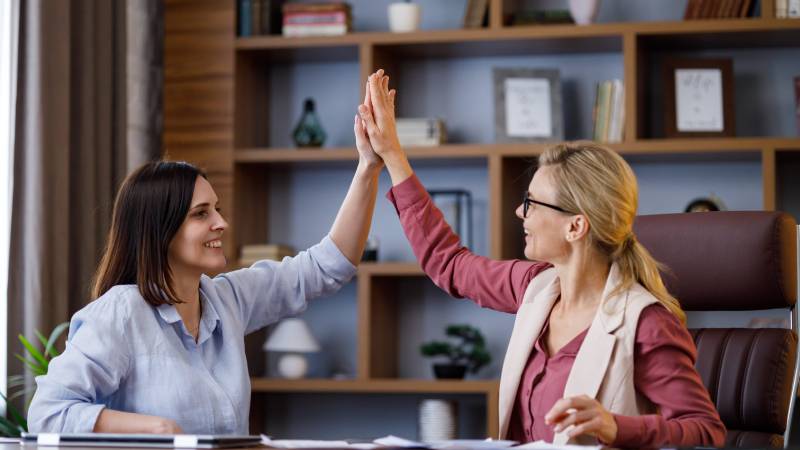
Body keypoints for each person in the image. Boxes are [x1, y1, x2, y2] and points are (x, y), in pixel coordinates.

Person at [353, 69, 726, 447]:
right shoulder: (534, 287)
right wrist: (393, 156)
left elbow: (706, 431)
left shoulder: (646, 323)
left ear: (576, 226)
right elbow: (447, 262)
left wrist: (616, 427)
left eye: (531, 203)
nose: (520, 212)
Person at [27, 143, 383, 434]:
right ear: (161, 230)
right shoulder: (122, 312)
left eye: (217, 209)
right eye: (201, 213)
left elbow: (326, 267)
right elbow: (48, 412)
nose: (221, 222)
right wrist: (155, 429)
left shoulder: (228, 299)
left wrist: (368, 166)